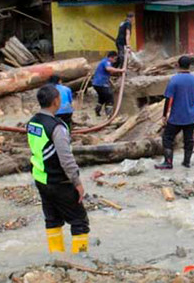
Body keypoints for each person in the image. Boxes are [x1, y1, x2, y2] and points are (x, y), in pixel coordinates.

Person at [27, 84, 90, 253]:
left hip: (41, 178)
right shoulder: (57, 127)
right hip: (59, 182)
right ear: (56, 101)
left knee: (52, 220)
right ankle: (80, 259)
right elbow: (66, 159)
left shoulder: (32, 122)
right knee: (79, 221)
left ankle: (56, 256)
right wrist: (77, 182)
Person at [155, 56, 194, 170]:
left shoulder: (174, 80)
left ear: (177, 64)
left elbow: (169, 99)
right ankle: (186, 162)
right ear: (189, 65)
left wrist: (164, 115)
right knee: (189, 139)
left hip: (177, 116)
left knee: (167, 138)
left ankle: (168, 162)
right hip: (191, 116)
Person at [92, 51, 124, 117]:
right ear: (111, 58)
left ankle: (97, 112)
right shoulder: (107, 62)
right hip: (101, 83)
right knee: (109, 98)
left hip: (96, 84)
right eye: (115, 59)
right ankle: (109, 115)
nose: (115, 61)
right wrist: (121, 70)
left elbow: (109, 73)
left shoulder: (105, 61)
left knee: (102, 98)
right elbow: (108, 69)